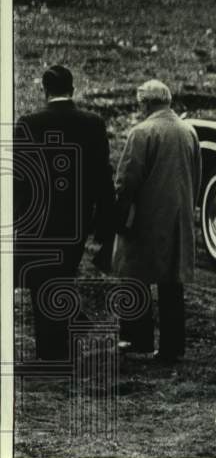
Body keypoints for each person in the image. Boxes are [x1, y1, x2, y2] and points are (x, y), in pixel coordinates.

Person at [13, 65, 115, 360]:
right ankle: (64, 339)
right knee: (63, 275)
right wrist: (105, 221)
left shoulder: (29, 123)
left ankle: (52, 350)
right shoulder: (93, 124)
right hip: (77, 218)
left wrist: (17, 215)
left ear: (44, 90)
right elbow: (102, 176)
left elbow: (19, 177)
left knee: (41, 280)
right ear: (72, 89)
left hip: (38, 219)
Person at [110, 80, 200, 364]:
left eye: (140, 104)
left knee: (134, 274)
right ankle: (172, 347)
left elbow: (127, 180)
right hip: (179, 217)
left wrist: (119, 213)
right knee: (172, 282)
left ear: (146, 104)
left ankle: (137, 338)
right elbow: (196, 174)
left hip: (146, 218)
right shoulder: (189, 131)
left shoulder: (142, 132)